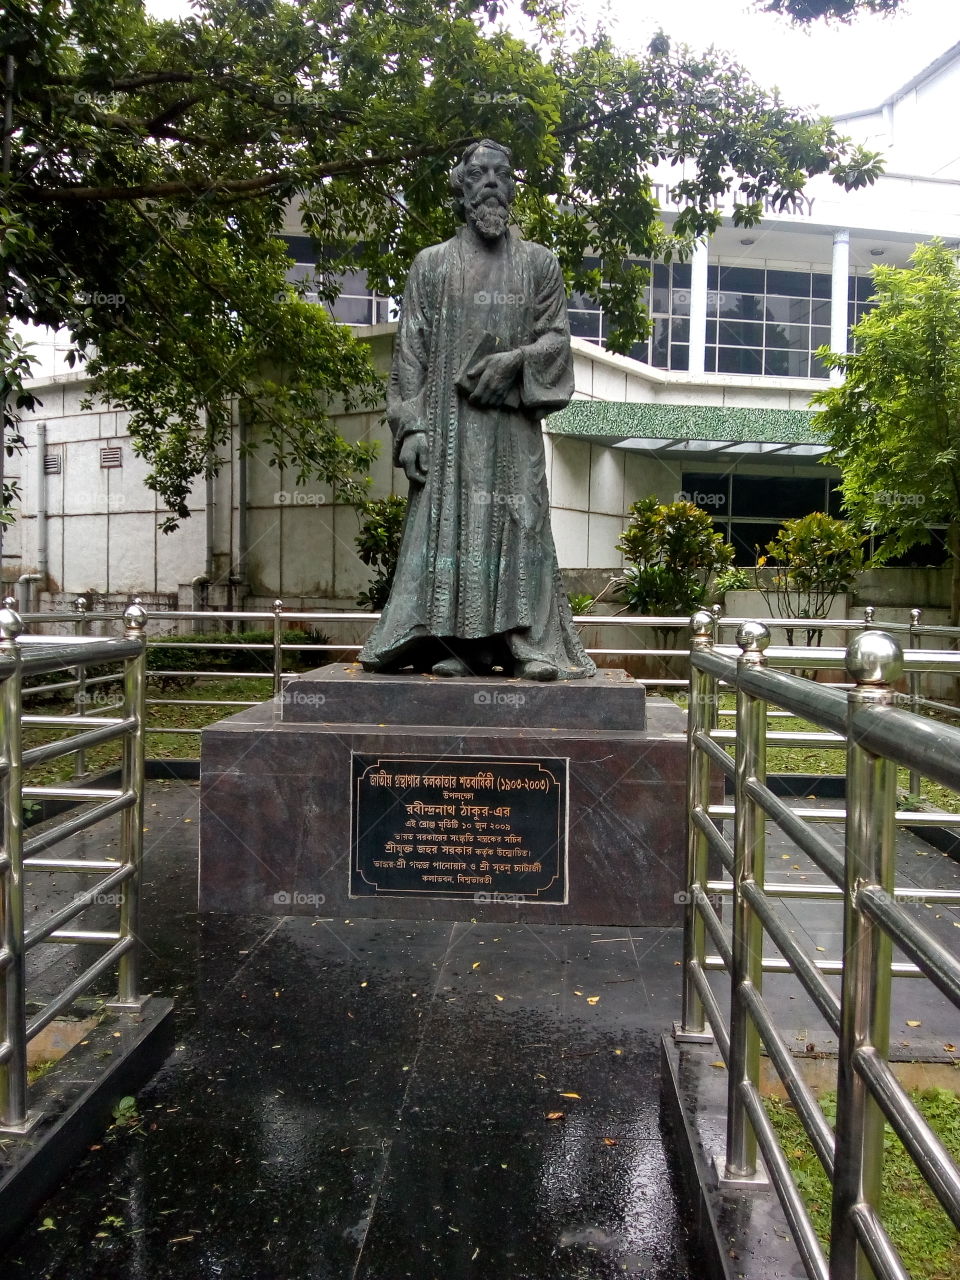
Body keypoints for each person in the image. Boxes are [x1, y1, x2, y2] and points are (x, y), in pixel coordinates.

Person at [358, 138, 595, 682]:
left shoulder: (540, 264)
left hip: (512, 428)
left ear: (512, 189)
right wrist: (411, 427)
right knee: (455, 529)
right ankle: (464, 647)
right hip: (448, 427)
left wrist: (514, 362)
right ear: (462, 190)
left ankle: (527, 645)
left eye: (501, 174)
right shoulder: (432, 266)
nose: (491, 181)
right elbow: (410, 355)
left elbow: (556, 342)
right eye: (479, 174)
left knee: (520, 521)